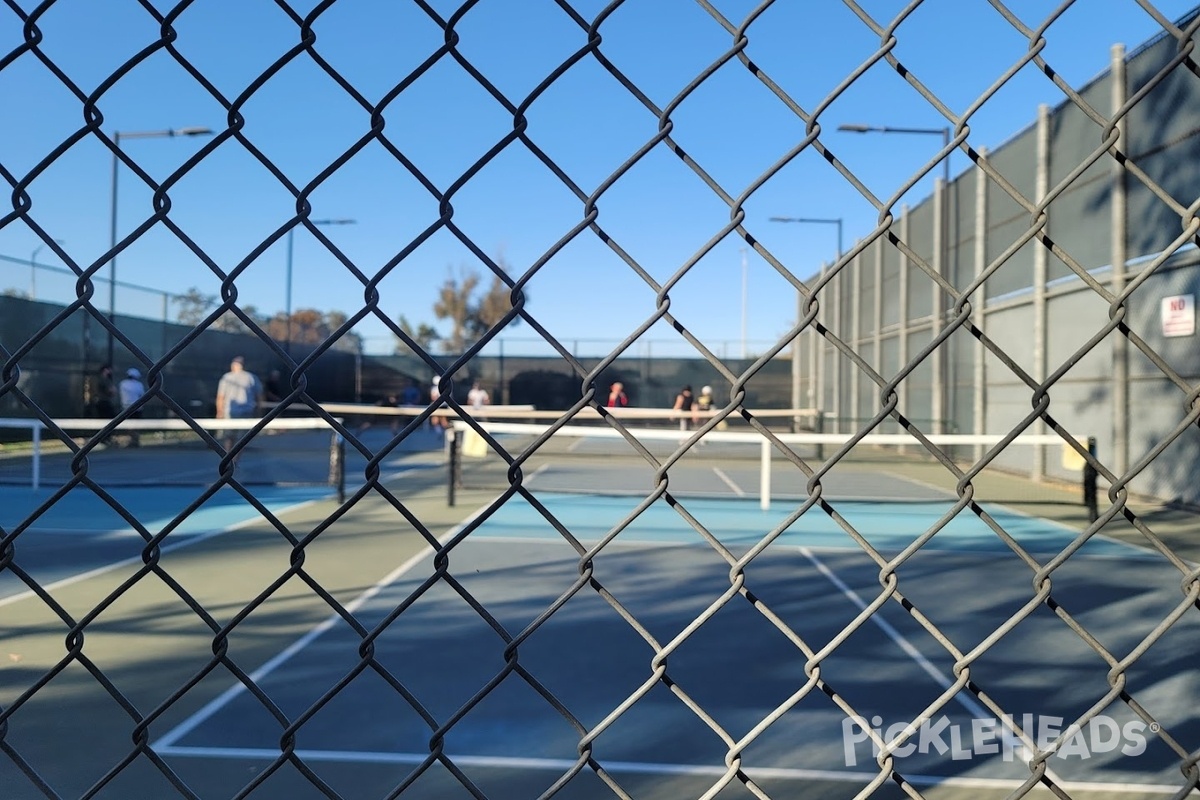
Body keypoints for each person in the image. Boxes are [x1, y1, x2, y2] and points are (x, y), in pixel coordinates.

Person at [215, 356, 263, 450]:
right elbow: (259, 395)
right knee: (241, 439)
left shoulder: (226, 377)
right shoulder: (251, 377)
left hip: (230, 412)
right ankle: (234, 460)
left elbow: (220, 396)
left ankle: (229, 458)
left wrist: (219, 412)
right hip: (245, 411)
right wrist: (259, 409)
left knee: (229, 436)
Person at [118, 367, 146, 447]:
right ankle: (135, 440)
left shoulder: (123, 383)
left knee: (129, 424)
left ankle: (133, 440)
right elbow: (142, 394)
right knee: (136, 424)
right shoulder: (139, 385)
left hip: (126, 407)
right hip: (137, 407)